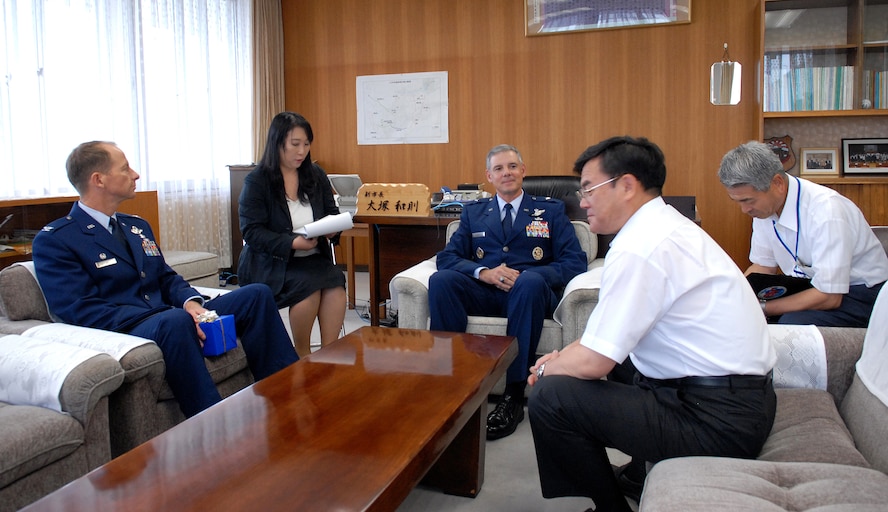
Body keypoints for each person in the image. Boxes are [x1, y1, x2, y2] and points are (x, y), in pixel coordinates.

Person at [526, 136, 776, 512]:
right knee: (611, 363)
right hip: (741, 402)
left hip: (716, 422)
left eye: (589, 188)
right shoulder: (664, 224)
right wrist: (559, 359)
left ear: (627, 185)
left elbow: (594, 361)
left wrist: (547, 372)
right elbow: (603, 339)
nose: (582, 201)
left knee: (551, 398)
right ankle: (640, 473)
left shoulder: (641, 247)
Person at [32, 141, 299, 418]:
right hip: (128, 327)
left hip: (169, 319)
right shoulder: (57, 240)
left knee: (255, 295)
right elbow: (81, 310)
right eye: (125, 169)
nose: (135, 174)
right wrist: (171, 314)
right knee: (174, 321)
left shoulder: (136, 226)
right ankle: (213, 421)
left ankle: (286, 393)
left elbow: (165, 277)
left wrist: (190, 303)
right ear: (98, 180)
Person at [429, 144, 587, 440]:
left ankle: (513, 396)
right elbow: (447, 258)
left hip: (531, 296)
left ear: (523, 171)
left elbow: (575, 262)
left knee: (528, 283)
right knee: (442, 281)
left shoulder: (549, 211)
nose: (507, 173)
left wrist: (528, 275)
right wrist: (484, 273)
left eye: (512, 167)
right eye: (499, 169)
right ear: (489, 176)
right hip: (486, 293)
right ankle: (449, 386)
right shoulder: (474, 214)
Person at [718, 140, 888, 327]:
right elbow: (763, 266)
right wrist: (734, 297)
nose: (744, 209)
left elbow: (830, 297)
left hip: (861, 295)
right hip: (809, 286)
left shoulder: (826, 211)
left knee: (790, 324)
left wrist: (763, 308)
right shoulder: (764, 210)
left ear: (777, 183)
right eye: (738, 201)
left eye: (748, 200)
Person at [238, 112, 347, 357]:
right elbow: (252, 231)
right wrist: (292, 242)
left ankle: (329, 354)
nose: (302, 151)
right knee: (308, 288)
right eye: (295, 144)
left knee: (335, 284)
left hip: (311, 259)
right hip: (272, 263)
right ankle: (302, 355)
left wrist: (333, 229)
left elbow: (331, 212)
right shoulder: (257, 181)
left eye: (306, 144)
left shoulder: (316, 175)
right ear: (277, 143)